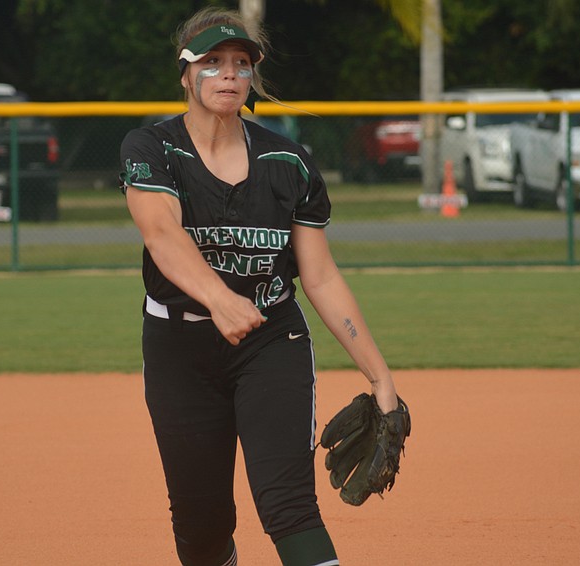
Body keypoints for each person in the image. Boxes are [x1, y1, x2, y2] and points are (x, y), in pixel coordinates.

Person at [119, 7, 402, 566]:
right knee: (201, 522)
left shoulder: (288, 162)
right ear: (185, 73)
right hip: (179, 349)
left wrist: (379, 375)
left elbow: (318, 275)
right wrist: (220, 299)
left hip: (272, 342)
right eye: (212, 62)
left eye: (240, 63)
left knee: (290, 505)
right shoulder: (152, 150)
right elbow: (162, 234)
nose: (228, 74)